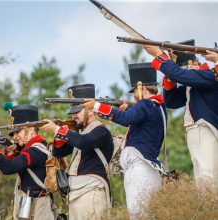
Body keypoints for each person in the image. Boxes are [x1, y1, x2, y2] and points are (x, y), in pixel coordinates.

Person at [82, 63, 167, 219]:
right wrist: (122, 110)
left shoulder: (145, 104)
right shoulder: (156, 106)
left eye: (135, 90)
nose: (134, 94)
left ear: (143, 89)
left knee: (137, 214)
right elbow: (135, 120)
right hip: (147, 167)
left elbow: (129, 118)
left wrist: (97, 105)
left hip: (140, 168)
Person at [143, 39, 218, 190]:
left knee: (206, 177)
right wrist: (171, 77)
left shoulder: (208, 76)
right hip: (198, 130)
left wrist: (159, 55)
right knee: (204, 177)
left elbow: (181, 75)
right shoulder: (203, 80)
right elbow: (172, 101)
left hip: (203, 129)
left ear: (194, 65)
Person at [40, 84, 114, 220]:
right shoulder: (80, 133)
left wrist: (58, 129)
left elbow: (84, 142)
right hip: (75, 194)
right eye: (73, 112)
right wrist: (59, 137)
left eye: (77, 111)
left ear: (91, 110)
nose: (74, 115)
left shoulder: (101, 131)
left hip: (91, 191)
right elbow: (58, 153)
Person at [0, 104, 55, 220]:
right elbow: (15, 160)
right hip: (30, 206)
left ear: (31, 130)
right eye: (13, 134)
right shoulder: (29, 149)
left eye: (17, 132)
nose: (15, 137)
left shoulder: (36, 150)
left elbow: (8, 168)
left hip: (38, 209)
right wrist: (10, 151)